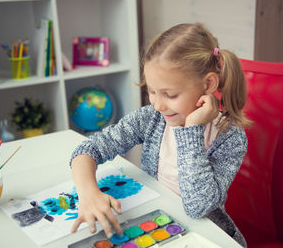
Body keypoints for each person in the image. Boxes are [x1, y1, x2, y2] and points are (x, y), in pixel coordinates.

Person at [69, 23, 250, 247]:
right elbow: (88, 149)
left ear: (208, 84)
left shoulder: (229, 136)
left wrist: (191, 130)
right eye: (151, 91)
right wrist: (89, 195)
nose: (157, 104)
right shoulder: (151, 119)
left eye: (170, 94)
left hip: (204, 234)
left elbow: (198, 207)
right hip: (159, 222)